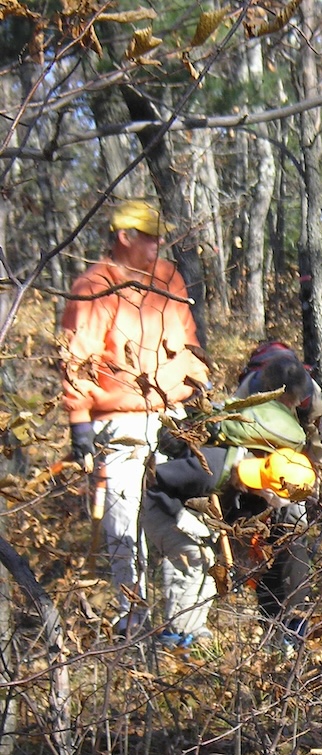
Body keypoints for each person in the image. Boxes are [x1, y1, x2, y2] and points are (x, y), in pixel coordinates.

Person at [61, 199, 210, 638]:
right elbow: (77, 358)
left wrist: (201, 384)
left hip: (174, 422)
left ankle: (185, 631)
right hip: (120, 426)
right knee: (125, 528)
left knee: (187, 523)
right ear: (124, 237)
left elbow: (187, 342)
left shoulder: (168, 278)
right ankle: (133, 627)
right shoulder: (93, 286)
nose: (158, 243)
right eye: (149, 236)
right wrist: (79, 420)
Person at [142, 440, 317, 646]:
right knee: (194, 558)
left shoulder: (255, 487)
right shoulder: (209, 470)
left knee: (212, 565)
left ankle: (192, 627)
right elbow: (151, 479)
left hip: (192, 510)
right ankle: (176, 635)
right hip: (158, 506)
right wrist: (180, 516)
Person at [231, 344, 322, 647]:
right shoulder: (248, 394)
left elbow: (319, 445)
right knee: (258, 545)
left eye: (293, 402)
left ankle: (294, 622)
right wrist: (252, 481)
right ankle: (270, 620)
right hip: (253, 469)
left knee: (293, 533)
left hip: (294, 468)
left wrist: (316, 487)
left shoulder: (311, 396)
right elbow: (232, 447)